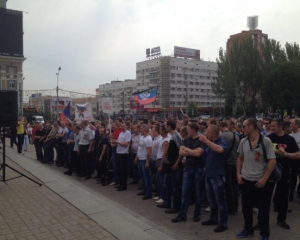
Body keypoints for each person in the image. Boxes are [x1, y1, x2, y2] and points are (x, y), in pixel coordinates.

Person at [236, 118, 276, 240]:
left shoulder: (265, 141)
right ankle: (248, 229)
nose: (242, 128)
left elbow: (272, 161)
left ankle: (264, 234)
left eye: (244, 126)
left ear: (252, 126)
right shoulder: (243, 141)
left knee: (263, 209)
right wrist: (238, 174)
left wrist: (264, 178)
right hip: (246, 180)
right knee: (246, 207)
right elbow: (240, 158)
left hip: (260, 182)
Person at [269, 119, 300, 229]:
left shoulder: (289, 139)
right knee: (266, 197)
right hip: (270, 171)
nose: (271, 128)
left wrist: (285, 153)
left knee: (284, 196)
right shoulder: (269, 138)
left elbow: (297, 155)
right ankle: (262, 220)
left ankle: (281, 219)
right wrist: (277, 151)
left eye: (273, 126)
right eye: (271, 126)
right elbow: (262, 152)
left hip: (285, 171)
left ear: (280, 127)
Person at [172, 123, 206, 223]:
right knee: (185, 192)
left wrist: (187, 150)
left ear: (193, 130)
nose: (186, 131)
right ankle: (182, 214)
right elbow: (181, 152)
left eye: (188, 129)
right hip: (188, 168)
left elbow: (198, 153)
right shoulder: (186, 139)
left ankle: (197, 213)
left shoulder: (201, 139)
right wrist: (191, 151)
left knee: (198, 193)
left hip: (198, 169)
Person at [199, 125, 228, 233]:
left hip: (217, 175)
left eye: (208, 132)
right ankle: (213, 218)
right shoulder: (210, 142)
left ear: (214, 134)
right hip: (208, 174)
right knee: (211, 199)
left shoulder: (221, 142)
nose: (206, 133)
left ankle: (223, 223)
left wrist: (206, 140)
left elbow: (220, 150)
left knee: (220, 201)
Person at [157, 120, 183, 214]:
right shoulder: (172, 136)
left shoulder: (176, 135)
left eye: (166, 126)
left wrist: (177, 162)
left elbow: (181, 149)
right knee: (167, 183)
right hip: (170, 164)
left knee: (176, 187)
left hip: (174, 165)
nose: (165, 128)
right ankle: (167, 202)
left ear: (169, 126)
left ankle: (176, 207)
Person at [220, 121, 240, 215]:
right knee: (234, 185)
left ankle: (231, 208)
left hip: (227, 163)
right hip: (235, 163)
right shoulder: (236, 136)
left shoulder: (223, 136)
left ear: (221, 127)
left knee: (228, 186)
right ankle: (235, 206)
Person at [135, 124, 153, 200]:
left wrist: (147, 162)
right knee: (142, 176)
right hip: (140, 159)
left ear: (145, 129)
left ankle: (148, 193)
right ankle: (144, 190)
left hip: (144, 160)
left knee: (146, 177)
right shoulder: (142, 137)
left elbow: (149, 152)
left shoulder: (148, 139)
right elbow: (139, 148)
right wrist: (136, 157)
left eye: (141, 128)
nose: (140, 130)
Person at [113, 122, 131, 191]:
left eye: (124, 126)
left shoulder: (128, 133)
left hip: (124, 153)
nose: (122, 127)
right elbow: (118, 141)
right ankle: (120, 183)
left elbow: (126, 144)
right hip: (119, 152)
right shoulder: (120, 133)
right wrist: (114, 143)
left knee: (123, 170)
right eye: (121, 126)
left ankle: (124, 185)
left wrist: (117, 143)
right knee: (119, 169)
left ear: (126, 126)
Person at [289, 118, 300, 201]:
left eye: (292, 124)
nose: (291, 125)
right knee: (292, 176)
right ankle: (291, 193)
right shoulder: (290, 135)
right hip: (292, 159)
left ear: (297, 125)